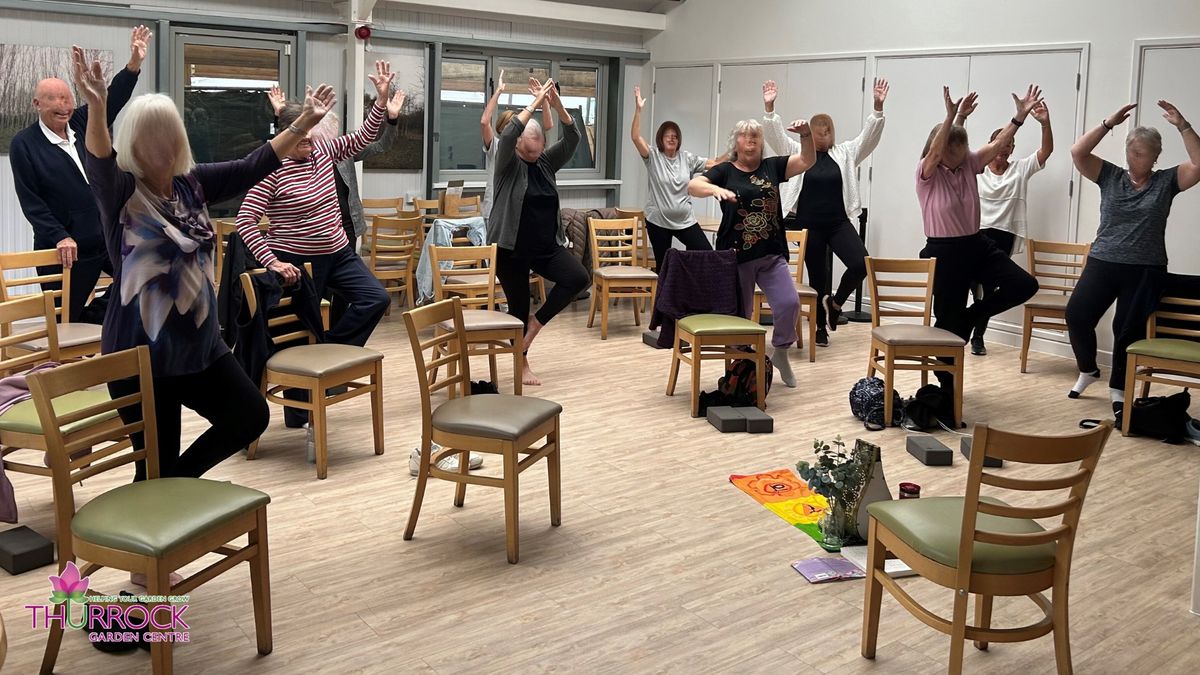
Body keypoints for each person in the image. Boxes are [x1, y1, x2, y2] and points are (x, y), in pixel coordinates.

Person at [72, 47, 333, 484]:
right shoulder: (120, 192)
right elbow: (97, 157)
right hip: (142, 358)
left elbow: (257, 162)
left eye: (170, 135)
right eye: (151, 138)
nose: (163, 147)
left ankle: (176, 483)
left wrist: (303, 123)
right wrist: (98, 107)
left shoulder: (192, 184)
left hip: (202, 348)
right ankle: (154, 515)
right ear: (132, 144)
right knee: (153, 471)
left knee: (249, 417)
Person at [237, 61, 397, 425]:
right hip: (295, 264)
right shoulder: (269, 168)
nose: (311, 142)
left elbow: (364, 137)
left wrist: (382, 100)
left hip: (338, 254)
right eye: (303, 136)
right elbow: (246, 222)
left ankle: (327, 356)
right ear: (285, 134)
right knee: (295, 337)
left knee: (376, 299)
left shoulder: (323, 152)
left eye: (312, 134)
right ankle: (299, 413)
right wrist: (273, 263)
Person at [9, 25, 151, 323]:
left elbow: (112, 99)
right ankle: (76, 345)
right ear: (37, 104)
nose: (65, 106)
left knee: (141, 278)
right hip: (65, 248)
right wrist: (60, 236)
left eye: (67, 98)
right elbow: (31, 202)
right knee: (63, 320)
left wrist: (134, 64)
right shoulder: (25, 143)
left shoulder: (83, 122)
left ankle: (95, 323)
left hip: (104, 235)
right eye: (54, 99)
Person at [1065, 100, 1200, 404]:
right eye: (1130, 151)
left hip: (1145, 270)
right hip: (1103, 261)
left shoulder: (1167, 181)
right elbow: (1078, 152)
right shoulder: (1111, 176)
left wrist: (1183, 125)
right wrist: (1108, 123)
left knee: (1126, 330)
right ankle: (1088, 369)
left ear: (1155, 157)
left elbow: (1199, 164)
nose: (1133, 158)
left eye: (1141, 154)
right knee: (1077, 315)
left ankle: (1118, 388)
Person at [916, 85, 1042, 395]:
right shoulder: (927, 174)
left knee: (1025, 285)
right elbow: (934, 150)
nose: (961, 161)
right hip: (943, 252)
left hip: (976, 244)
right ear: (942, 150)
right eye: (953, 154)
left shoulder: (970, 163)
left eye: (963, 154)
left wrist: (1019, 116)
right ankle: (948, 389)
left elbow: (999, 143)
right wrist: (951, 116)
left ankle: (972, 317)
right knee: (946, 324)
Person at [687, 117, 816, 388]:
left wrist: (806, 135)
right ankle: (744, 371)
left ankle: (780, 352)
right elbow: (693, 186)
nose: (751, 141)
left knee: (789, 302)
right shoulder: (725, 171)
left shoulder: (772, 167)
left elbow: (806, 161)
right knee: (741, 318)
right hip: (736, 257)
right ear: (736, 142)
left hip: (771, 253)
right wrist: (716, 189)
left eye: (756, 136)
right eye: (745, 136)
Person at [761, 78, 888, 347]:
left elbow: (869, 138)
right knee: (818, 278)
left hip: (838, 223)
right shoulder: (797, 151)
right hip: (809, 225)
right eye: (818, 134)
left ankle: (837, 303)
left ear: (832, 133)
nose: (823, 138)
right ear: (811, 134)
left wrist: (877, 109)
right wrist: (770, 109)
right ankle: (820, 328)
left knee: (860, 263)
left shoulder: (845, 153)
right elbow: (775, 138)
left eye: (827, 133)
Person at [267, 84, 404, 325]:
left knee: (350, 293)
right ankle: (318, 343)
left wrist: (388, 114)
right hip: (305, 241)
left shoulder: (337, 150)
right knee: (312, 300)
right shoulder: (288, 161)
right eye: (316, 135)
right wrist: (280, 116)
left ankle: (335, 342)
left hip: (343, 229)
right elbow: (272, 153)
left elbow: (374, 142)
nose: (318, 142)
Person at [490, 79, 589, 386]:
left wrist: (556, 103)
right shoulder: (506, 163)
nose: (535, 156)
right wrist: (532, 105)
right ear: (520, 145)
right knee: (518, 308)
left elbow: (574, 138)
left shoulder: (545, 161)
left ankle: (537, 324)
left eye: (538, 151)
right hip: (511, 249)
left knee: (577, 278)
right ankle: (521, 364)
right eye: (530, 152)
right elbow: (506, 134)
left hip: (546, 246)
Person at [955, 97, 1054, 355]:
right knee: (966, 283)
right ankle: (956, 328)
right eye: (1001, 143)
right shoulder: (977, 170)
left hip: (1003, 236)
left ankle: (978, 336)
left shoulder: (1020, 169)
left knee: (988, 289)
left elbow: (1046, 152)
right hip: (975, 234)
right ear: (991, 146)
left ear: (1012, 149)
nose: (1005, 148)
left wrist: (1045, 123)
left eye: (1009, 144)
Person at [630, 85, 721, 266]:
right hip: (658, 220)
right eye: (667, 136)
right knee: (664, 264)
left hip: (685, 220)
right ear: (660, 138)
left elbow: (713, 163)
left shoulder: (686, 158)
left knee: (705, 252)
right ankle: (664, 293)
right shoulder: (653, 156)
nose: (671, 139)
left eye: (675, 136)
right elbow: (635, 137)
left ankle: (691, 288)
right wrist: (638, 110)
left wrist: (735, 152)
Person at [481, 70, 554, 221]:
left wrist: (544, 100)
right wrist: (498, 91)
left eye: (516, 125)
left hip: (518, 208)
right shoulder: (496, 145)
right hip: (495, 207)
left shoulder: (523, 147)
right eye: (509, 125)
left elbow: (548, 126)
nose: (514, 128)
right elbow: (484, 122)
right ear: (501, 128)